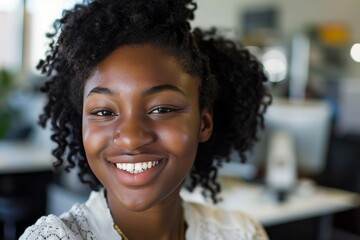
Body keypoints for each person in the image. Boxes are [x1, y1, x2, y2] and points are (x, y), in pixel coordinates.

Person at [20, 0, 271, 239]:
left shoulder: (242, 233)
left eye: (161, 109)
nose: (130, 138)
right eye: (104, 112)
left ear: (203, 123)